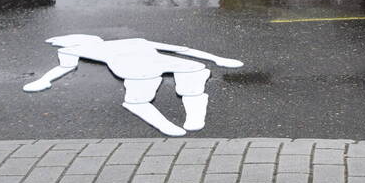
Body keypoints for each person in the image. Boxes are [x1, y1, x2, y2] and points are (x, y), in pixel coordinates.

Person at [23, 34, 243, 136]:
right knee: (191, 75)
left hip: (137, 69)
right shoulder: (133, 41)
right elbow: (179, 49)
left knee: (139, 100)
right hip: (146, 67)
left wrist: (44, 80)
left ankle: (182, 120)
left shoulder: (73, 50)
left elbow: (65, 68)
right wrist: (217, 59)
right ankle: (185, 118)